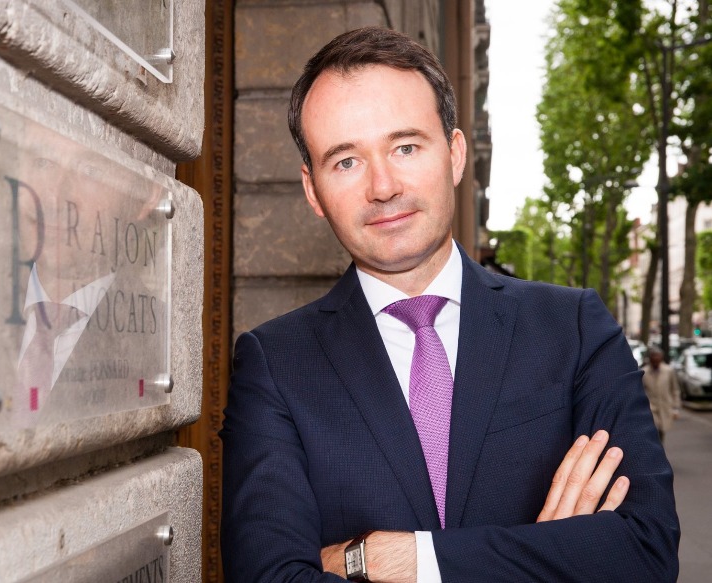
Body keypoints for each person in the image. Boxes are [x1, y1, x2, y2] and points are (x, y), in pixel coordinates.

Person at [220, 26, 679, 582]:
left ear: (456, 155)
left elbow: (645, 551)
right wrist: (545, 555)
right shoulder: (275, 364)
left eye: (405, 147)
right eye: (345, 161)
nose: (383, 186)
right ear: (313, 190)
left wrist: (395, 558)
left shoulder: (573, 328)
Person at [641, 346, 681, 443]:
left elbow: (675, 389)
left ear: (661, 357)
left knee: (662, 431)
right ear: (650, 358)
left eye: (657, 356)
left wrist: (675, 408)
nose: (655, 358)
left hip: (665, 406)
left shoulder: (668, 371)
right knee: (654, 430)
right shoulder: (644, 372)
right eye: (653, 356)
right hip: (650, 408)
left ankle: (660, 449)